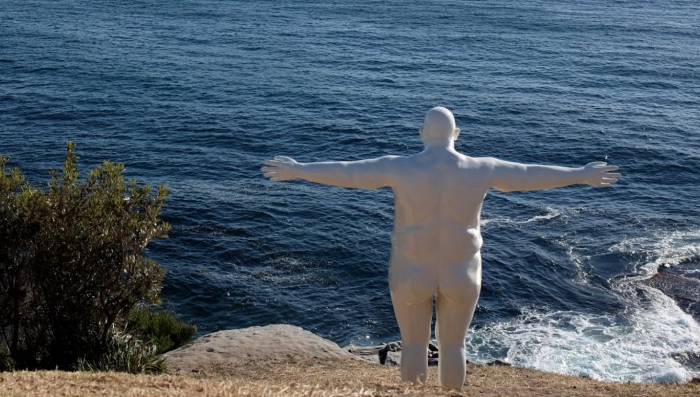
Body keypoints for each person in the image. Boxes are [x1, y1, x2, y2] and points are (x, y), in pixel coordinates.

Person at [261, 106, 620, 390]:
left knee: (414, 345)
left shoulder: (399, 167)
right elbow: (528, 174)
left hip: (411, 267)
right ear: (457, 135)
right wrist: (580, 173)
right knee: (454, 346)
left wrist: (301, 170)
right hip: (461, 269)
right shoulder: (482, 168)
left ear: (422, 134)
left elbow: (349, 172)